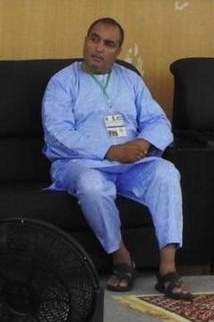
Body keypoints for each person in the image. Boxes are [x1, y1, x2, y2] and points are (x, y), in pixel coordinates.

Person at [42, 17, 193, 298]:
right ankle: (122, 260)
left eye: (108, 44)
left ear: (118, 51)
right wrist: (110, 151)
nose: (98, 48)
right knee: (91, 185)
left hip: (130, 163)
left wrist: (143, 142)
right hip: (81, 163)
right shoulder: (62, 82)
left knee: (166, 172)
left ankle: (167, 269)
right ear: (86, 41)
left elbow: (158, 121)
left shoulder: (130, 79)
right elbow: (57, 134)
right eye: (94, 39)